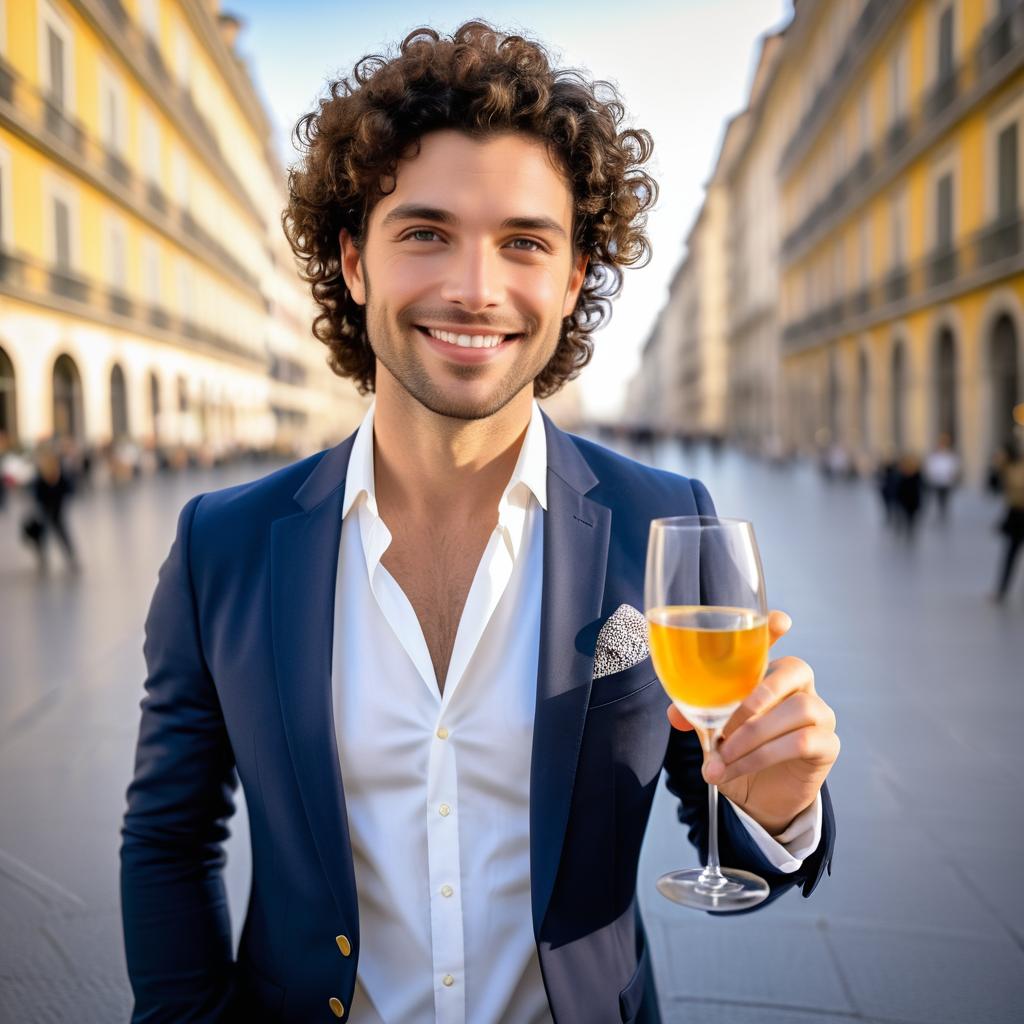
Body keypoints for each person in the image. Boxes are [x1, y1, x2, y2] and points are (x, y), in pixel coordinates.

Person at [120, 23, 839, 1024]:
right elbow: (169, 835)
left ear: (575, 275)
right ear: (353, 261)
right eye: (424, 233)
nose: (474, 287)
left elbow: (721, 806)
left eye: (523, 243)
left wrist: (779, 801)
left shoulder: (664, 522)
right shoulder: (222, 545)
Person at [27, 446, 80, 574]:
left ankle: (70, 557)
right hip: (45, 509)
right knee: (45, 535)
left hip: (57, 509)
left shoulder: (60, 474)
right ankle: (43, 558)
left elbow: (69, 489)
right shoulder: (40, 476)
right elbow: (35, 492)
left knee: (62, 533)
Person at [993, 440, 1024, 603]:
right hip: (1016, 515)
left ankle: (1002, 590)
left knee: (1011, 554)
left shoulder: (1016, 470)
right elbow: (995, 486)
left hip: (1018, 513)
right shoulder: (1008, 469)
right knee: (1011, 554)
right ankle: (1002, 590)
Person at [923, 433, 960, 523]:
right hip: (936, 481)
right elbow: (929, 466)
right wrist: (931, 476)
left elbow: (954, 466)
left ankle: (944, 514)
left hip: (946, 481)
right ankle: (939, 514)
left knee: (945, 499)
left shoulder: (951, 455)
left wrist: (953, 476)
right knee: (938, 499)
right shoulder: (934, 455)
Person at [894, 453, 924, 541]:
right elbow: (899, 487)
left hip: (913, 498)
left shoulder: (917, 473)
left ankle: (910, 528)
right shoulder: (901, 473)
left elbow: (921, 486)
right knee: (907, 514)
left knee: (911, 515)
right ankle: (908, 528)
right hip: (905, 497)